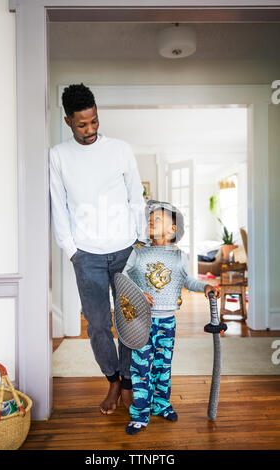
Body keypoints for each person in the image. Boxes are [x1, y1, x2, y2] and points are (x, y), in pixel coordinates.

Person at [49, 83, 147, 415]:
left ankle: (130, 383)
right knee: (98, 323)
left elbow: (136, 196)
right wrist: (71, 249)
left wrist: (139, 240)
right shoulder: (58, 156)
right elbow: (58, 206)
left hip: (125, 250)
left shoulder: (120, 149)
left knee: (130, 321)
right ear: (68, 122)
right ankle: (113, 381)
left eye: (94, 121)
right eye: (81, 124)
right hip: (86, 254)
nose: (89, 129)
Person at [121, 200, 220, 434]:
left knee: (163, 365)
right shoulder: (137, 253)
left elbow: (188, 281)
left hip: (167, 321)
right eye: (149, 219)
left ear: (172, 229)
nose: (150, 222)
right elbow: (123, 279)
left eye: (157, 219)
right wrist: (139, 293)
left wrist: (205, 287)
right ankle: (140, 413)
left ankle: (161, 403)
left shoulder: (179, 257)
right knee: (140, 367)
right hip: (141, 321)